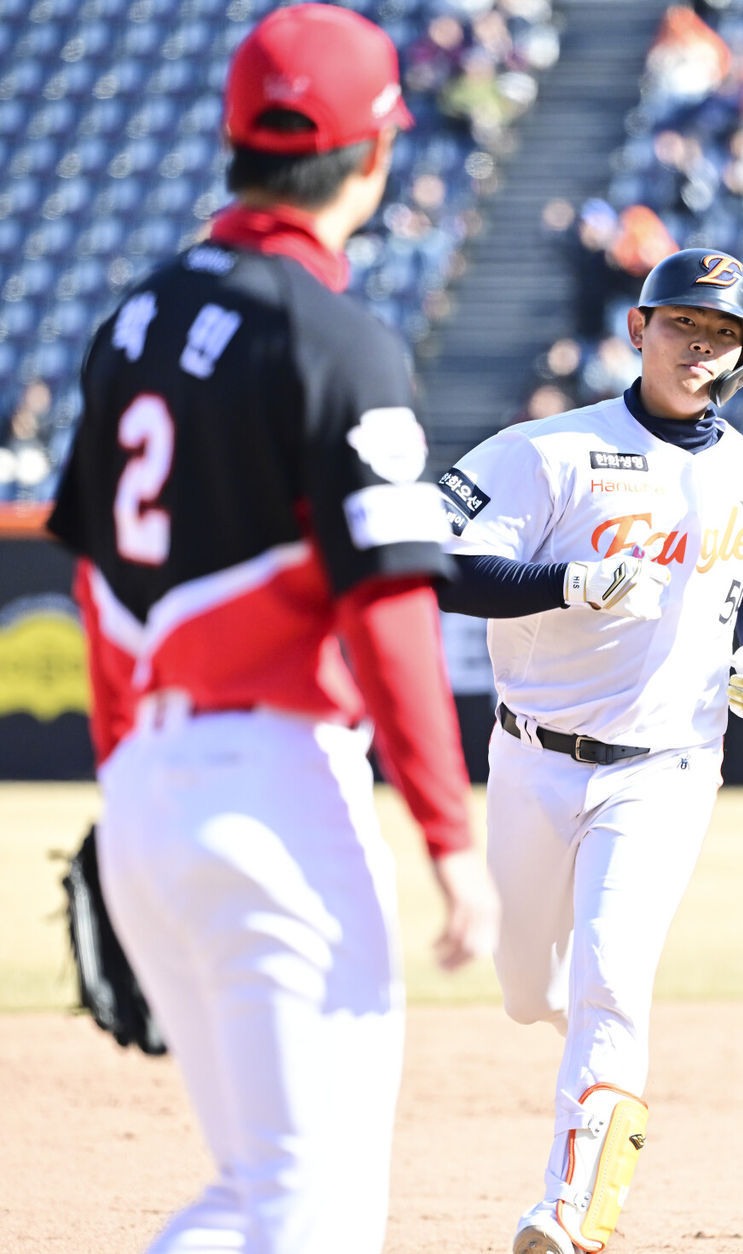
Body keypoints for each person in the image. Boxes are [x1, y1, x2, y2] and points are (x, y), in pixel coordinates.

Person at [46, 6, 497, 1253]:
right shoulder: (336, 337)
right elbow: (389, 602)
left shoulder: (132, 320)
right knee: (309, 1210)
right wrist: (450, 837)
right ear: (376, 156)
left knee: (265, 1194)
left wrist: (129, 776)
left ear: (234, 140)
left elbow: (98, 584)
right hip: (275, 794)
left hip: (149, 784)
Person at [436, 248, 743, 1254]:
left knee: (610, 977)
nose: (702, 348)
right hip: (531, 756)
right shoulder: (546, 450)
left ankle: (572, 1210)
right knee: (530, 992)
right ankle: (596, 1050)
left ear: (742, 355)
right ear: (638, 329)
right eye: (685, 325)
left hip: (668, 766)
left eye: (723, 335)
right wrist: (567, 582)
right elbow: (435, 563)